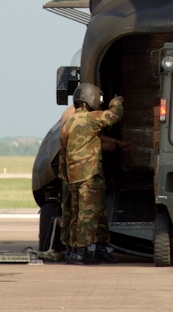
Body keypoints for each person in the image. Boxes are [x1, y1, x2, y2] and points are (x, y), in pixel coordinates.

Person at [58, 101, 135, 260]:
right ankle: (82, 251)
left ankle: (75, 250)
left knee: (79, 214)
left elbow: (63, 154)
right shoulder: (90, 118)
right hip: (90, 175)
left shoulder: (68, 123)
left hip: (74, 177)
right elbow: (114, 115)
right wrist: (117, 102)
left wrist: (66, 176)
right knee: (89, 214)